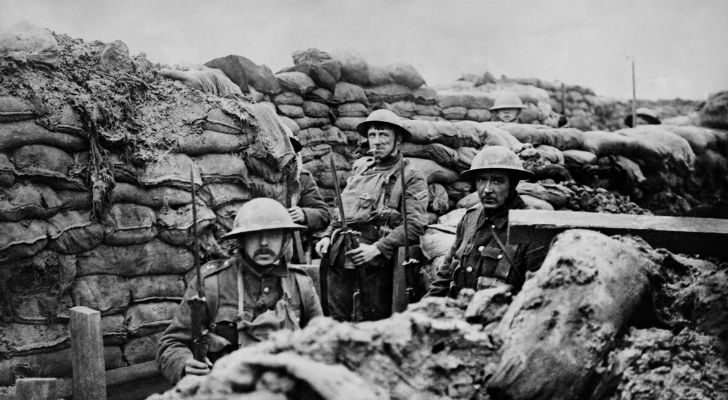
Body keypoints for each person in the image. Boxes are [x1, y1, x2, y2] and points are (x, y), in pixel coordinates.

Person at [156, 198, 323, 384]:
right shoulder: (212, 284)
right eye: (255, 235)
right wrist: (184, 363)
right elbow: (171, 344)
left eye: (273, 234)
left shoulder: (301, 284)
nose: (264, 243)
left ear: (285, 239)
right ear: (242, 240)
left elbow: (324, 342)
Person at [314, 109, 428, 321]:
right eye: (372, 135)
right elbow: (343, 210)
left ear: (398, 139)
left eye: (383, 135)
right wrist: (327, 235)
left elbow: (414, 225)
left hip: (378, 262)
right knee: (336, 320)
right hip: (339, 254)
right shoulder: (361, 169)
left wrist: (378, 248)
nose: (376, 141)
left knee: (372, 324)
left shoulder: (410, 175)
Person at [427, 146, 547, 298]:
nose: (487, 189)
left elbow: (535, 294)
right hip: (458, 311)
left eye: (497, 181)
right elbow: (446, 273)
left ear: (513, 184)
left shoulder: (530, 227)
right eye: (482, 180)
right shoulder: (470, 218)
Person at [286, 134, 330, 262]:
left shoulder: (302, 179)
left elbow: (323, 214)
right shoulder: (258, 178)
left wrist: (304, 214)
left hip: (293, 251)